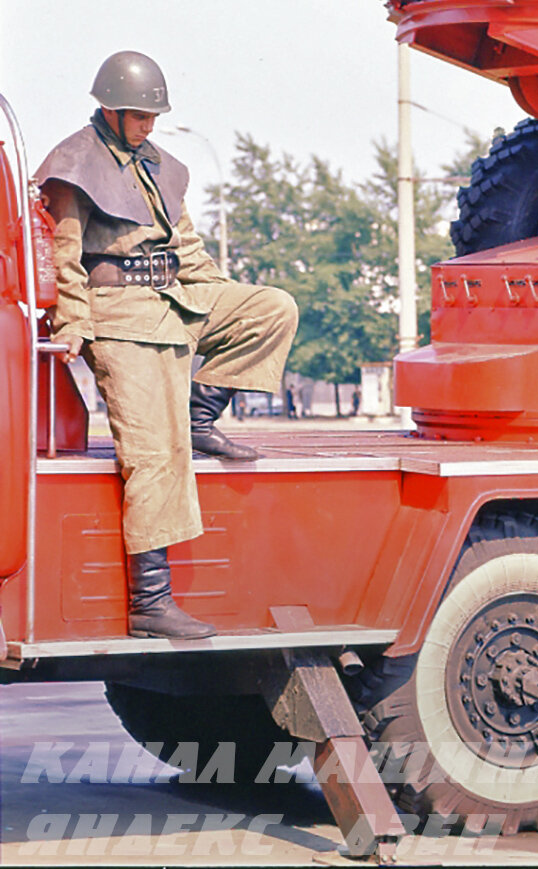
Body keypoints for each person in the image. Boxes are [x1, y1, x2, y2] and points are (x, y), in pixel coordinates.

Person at [36, 51, 298, 639]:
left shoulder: (160, 164)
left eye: (154, 116)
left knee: (272, 307)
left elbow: (187, 247)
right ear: (110, 108)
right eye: (140, 116)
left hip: (175, 297)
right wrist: (72, 323)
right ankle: (151, 604)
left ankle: (201, 414)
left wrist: (219, 297)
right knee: (155, 454)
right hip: (120, 315)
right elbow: (65, 256)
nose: (150, 126)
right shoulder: (74, 163)